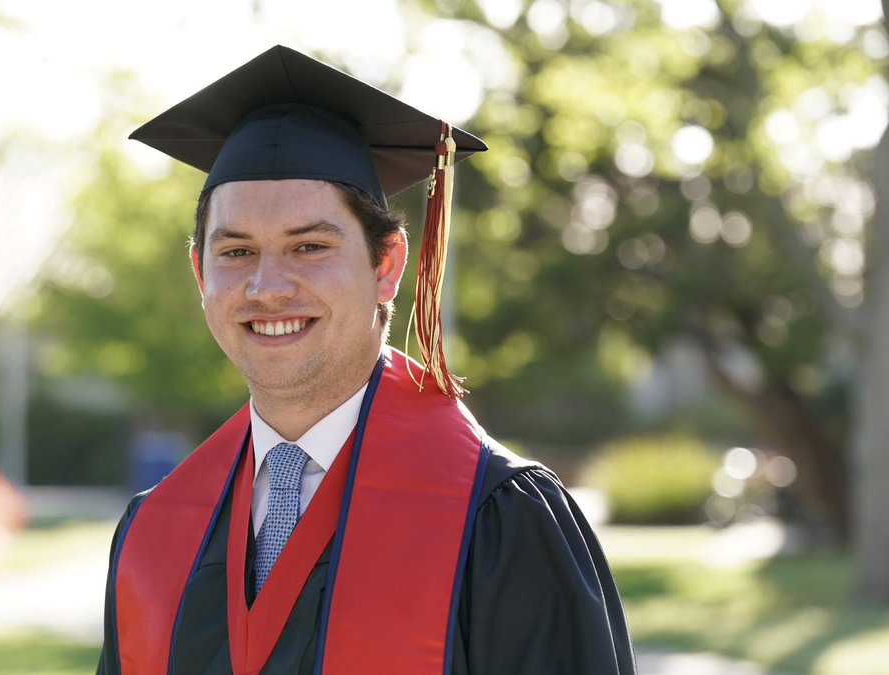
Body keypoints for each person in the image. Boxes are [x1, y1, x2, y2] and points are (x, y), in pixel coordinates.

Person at [96, 45, 635, 675]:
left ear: (387, 266)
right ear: (200, 272)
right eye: (236, 253)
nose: (268, 288)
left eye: (309, 247)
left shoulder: (500, 518)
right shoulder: (154, 529)